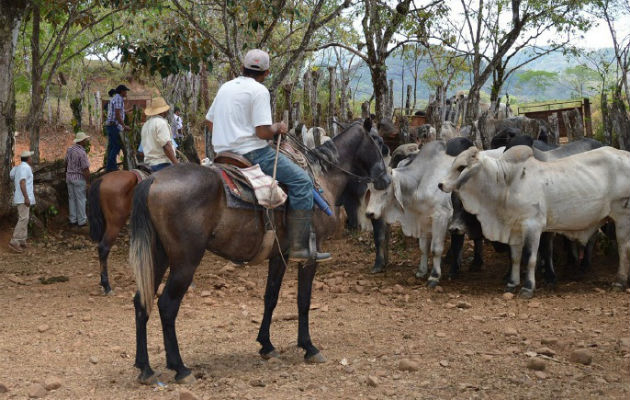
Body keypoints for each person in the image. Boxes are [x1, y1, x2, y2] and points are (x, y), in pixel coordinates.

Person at [205, 49, 331, 262]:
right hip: (253, 153)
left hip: (223, 155)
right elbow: (262, 133)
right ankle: (300, 247)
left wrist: (231, 132)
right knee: (301, 180)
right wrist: (278, 127)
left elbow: (209, 122)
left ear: (242, 68)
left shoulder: (225, 87)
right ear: (267, 72)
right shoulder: (259, 91)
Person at [140, 97, 178, 172]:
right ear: (163, 111)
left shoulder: (146, 124)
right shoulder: (161, 123)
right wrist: (176, 164)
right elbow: (166, 146)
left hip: (148, 163)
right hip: (161, 163)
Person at [8, 151, 35, 253]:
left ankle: (22, 240)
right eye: (30, 157)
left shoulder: (18, 167)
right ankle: (15, 240)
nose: (31, 159)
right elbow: (22, 182)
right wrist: (26, 197)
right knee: (23, 218)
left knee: (25, 217)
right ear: (28, 159)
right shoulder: (25, 167)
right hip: (23, 197)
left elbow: (11, 176)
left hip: (19, 197)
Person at [65, 131, 91, 227]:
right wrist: (88, 182)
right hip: (79, 178)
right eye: (85, 139)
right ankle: (82, 221)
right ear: (82, 141)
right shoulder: (82, 152)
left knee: (72, 199)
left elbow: (66, 162)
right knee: (81, 199)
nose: (86, 141)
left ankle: (73, 220)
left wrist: (67, 173)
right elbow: (85, 168)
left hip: (69, 177)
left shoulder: (70, 149)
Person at [105, 84, 130, 172]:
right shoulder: (119, 98)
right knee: (117, 145)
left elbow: (118, 111)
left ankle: (109, 167)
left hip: (110, 125)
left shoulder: (115, 98)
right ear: (122, 91)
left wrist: (127, 111)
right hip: (114, 126)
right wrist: (124, 126)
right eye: (125, 91)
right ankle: (113, 167)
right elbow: (117, 114)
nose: (126, 92)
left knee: (112, 146)